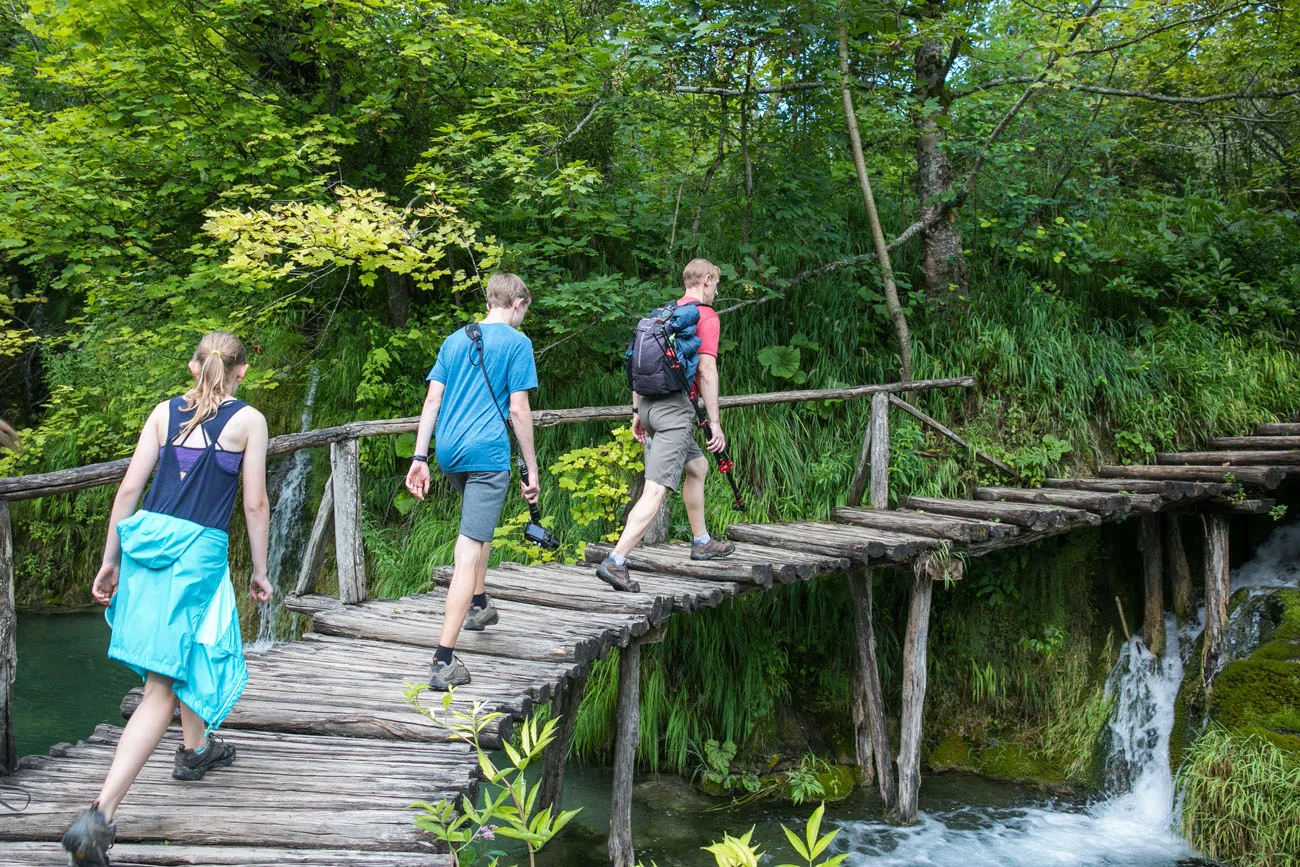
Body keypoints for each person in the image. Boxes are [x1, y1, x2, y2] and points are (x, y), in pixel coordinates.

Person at [61, 331, 271, 867]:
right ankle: (99, 816)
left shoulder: (163, 413)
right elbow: (254, 503)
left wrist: (111, 558)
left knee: (183, 656)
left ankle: (196, 749)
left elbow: (129, 490)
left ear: (193, 366)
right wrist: (262, 570)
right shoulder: (248, 421)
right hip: (195, 555)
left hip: (147, 547)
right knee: (160, 684)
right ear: (241, 372)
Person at [405, 273, 540, 690]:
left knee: (477, 531)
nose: (523, 318)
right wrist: (532, 468)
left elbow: (432, 400)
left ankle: (480, 603)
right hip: (487, 455)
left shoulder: (455, 339)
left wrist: (419, 457)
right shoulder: (518, 345)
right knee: (469, 548)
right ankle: (443, 659)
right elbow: (519, 411)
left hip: (448, 452)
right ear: (517, 302)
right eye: (525, 310)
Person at [596, 259, 735, 593]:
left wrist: (636, 411)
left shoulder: (665, 314)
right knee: (656, 488)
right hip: (674, 413)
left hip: (648, 406)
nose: (716, 290)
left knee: (698, 466)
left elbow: (637, 362)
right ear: (705, 280)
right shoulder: (705, 316)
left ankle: (701, 541)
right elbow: (706, 371)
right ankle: (616, 561)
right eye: (716, 284)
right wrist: (715, 423)